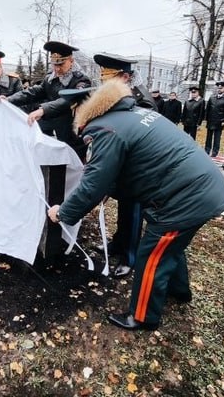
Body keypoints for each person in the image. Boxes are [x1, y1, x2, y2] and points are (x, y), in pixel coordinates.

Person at [47, 78, 224, 331]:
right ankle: (179, 291)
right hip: (202, 189)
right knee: (170, 247)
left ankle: (143, 316)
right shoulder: (135, 114)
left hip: (183, 198)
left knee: (152, 255)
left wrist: (63, 213)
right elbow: (129, 166)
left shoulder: (103, 129)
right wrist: (106, 189)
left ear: (81, 113)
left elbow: (92, 183)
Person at [92, 53, 157, 278]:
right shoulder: (120, 96)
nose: (104, 84)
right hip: (123, 167)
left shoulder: (142, 100)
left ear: (125, 77)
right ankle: (118, 245)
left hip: (138, 170)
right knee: (123, 211)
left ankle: (130, 258)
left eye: (109, 78)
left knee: (134, 214)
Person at [7, 41, 91, 156]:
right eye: (54, 64)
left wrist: (43, 110)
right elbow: (34, 92)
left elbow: (67, 100)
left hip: (70, 137)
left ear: (71, 61)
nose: (57, 69)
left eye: (61, 64)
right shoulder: (50, 77)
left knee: (69, 170)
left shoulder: (81, 81)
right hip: (49, 134)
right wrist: (9, 100)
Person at [205, 81, 224, 157]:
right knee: (208, 137)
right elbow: (208, 108)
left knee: (217, 137)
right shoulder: (212, 97)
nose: (219, 89)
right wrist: (206, 118)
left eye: (221, 88)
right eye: (218, 88)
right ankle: (207, 150)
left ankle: (215, 151)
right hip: (211, 119)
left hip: (219, 120)